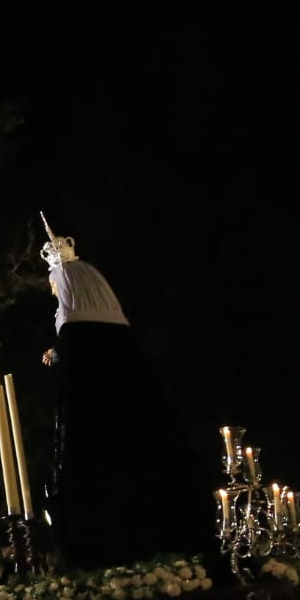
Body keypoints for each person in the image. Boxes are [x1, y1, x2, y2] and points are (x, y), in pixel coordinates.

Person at [35, 220, 206, 569]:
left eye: (55, 287)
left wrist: (62, 355)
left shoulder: (84, 344)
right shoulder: (115, 347)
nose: (53, 294)